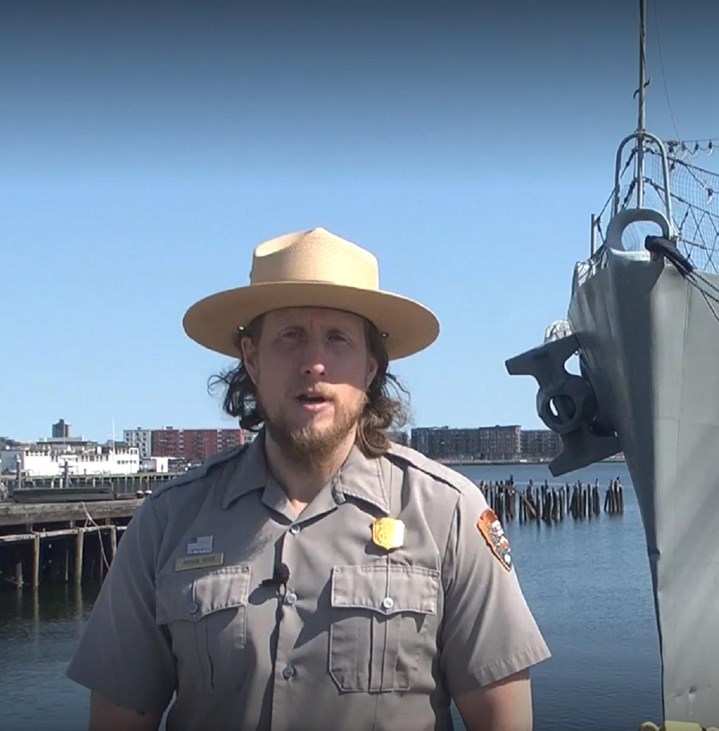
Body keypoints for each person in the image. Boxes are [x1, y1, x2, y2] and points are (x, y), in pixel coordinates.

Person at [66, 228, 551, 731]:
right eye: (290, 336)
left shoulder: (449, 513)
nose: (313, 363)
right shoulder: (167, 523)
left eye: (337, 339)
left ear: (369, 367)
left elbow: (503, 721)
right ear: (251, 360)